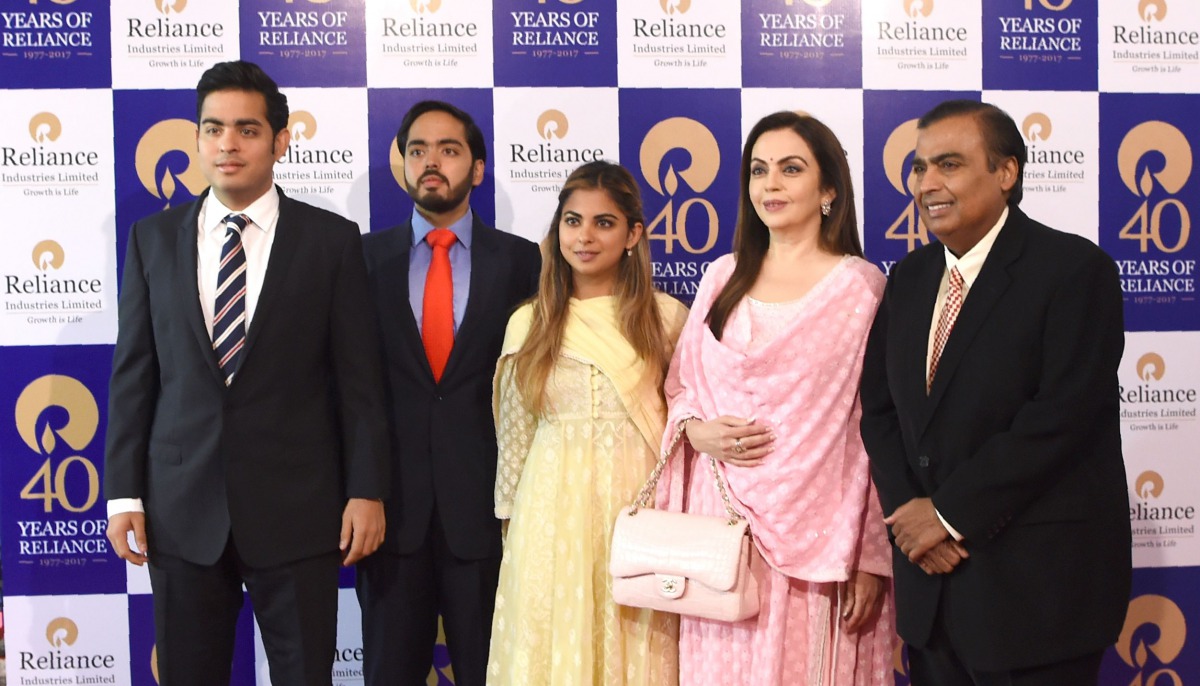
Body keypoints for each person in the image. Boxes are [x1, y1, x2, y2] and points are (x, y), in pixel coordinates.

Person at [104, 60, 389, 686]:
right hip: (181, 509)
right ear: (198, 139)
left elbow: (359, 382)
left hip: (299, 509)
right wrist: (124, 491)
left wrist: (366, 488)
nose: (228, 144)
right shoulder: (151, 239)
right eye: (213, 129)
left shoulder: (331, 241)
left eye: (247, 129)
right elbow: (134, 375)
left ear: (280, 141)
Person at [859, 99, 1131, 684]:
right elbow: (880, 411)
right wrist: (911, 517)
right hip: (931, 597)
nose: (927, 183)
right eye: (919, 167)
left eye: (949, 164)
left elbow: (1062, 418)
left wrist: (947, 515)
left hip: (1039, 601)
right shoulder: (908, 279)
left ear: (1005, 173)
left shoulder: (1074, 270)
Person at [657, 111, 896, 685]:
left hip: (822, 540)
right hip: (721, 533)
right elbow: (681, 385)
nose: (771, 184)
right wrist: (696, 431)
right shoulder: (720, 277)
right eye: (759, 170)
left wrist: (869, 554)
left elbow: (877, 428)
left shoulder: (862, 288)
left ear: (829, 190)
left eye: (791, 169)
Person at [357, 100, 541, 686]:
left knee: (495, 672)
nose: (430, 162)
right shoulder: (359, 260)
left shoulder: (524, 261)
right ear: (403, 166)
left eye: (449, 149)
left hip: (487, 516)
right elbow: (345, 386)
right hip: (388, 515)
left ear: (478, 169)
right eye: (417, 150)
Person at [487, 160, 687, 684]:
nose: (585, 236)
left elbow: (683, 428)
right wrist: (513, 527)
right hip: (549, 517)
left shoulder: (665, 319)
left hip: (641, 511)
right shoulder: (528, 322)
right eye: (572, 221)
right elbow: (514, 438)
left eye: (604, 222)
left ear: (632, 234)